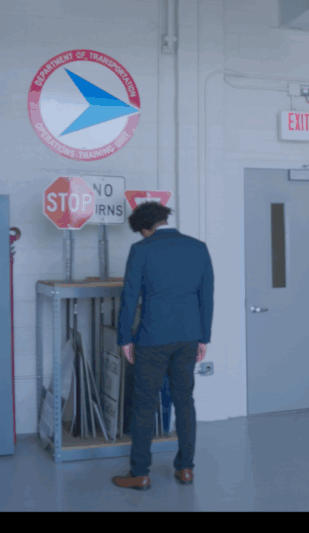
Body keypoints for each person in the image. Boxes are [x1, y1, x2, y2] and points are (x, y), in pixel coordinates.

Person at [111, 202, 214, 492]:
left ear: (145, 228)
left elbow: (129, 296)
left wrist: (124, 338)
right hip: (188, 336)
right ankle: (186, 469)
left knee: (145, 404)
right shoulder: (198, 247)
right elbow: (206, 295)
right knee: (185, 401)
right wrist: (204, 337)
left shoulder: (141, 249)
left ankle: (140, 473)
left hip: (152, 337)